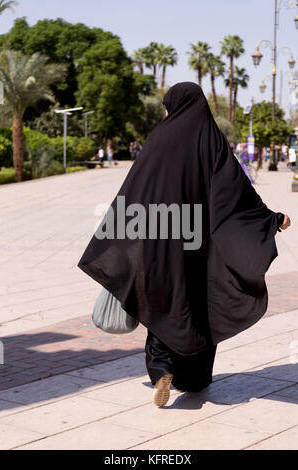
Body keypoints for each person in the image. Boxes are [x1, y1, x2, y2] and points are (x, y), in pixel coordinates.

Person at [78, 82, 291, 408]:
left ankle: (162, 368)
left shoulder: (159, 139)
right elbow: (236, 194)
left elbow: (134, 190)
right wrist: (271, 219)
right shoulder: (211, 140)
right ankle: (194, 377)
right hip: (199, 246)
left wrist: (116, 240)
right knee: (200, 302)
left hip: (158, 242)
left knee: (163, 301)